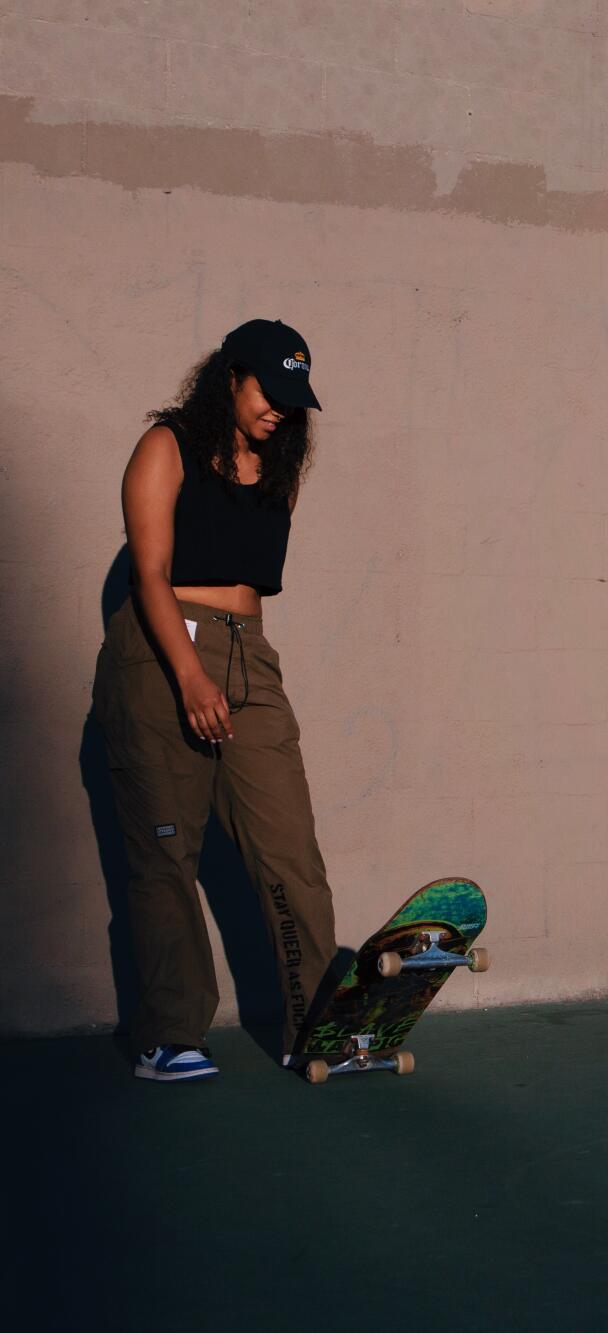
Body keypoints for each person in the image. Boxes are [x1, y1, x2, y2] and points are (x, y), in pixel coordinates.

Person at [94, 319, 338, 1080]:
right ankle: (169, 1035)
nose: (281, 411)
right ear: (231, 376)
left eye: (295, 400)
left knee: (289, 849)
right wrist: (190, 676)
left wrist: (228, 670)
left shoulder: (277, 463)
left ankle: (318, 1026)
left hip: (248, 658)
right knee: (167, 852)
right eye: (271, 392)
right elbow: (150, 575)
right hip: (162, 654)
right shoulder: (165, 448)